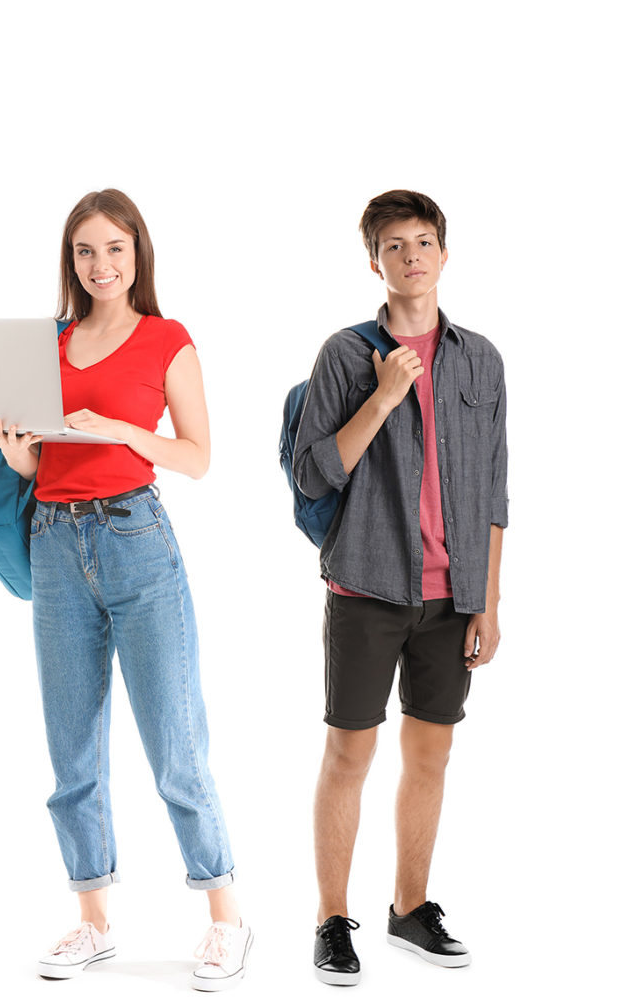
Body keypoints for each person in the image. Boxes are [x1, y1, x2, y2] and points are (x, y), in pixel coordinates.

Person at [0, 189, 247, 991]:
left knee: (175, 742)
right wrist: (15, 451)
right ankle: (93, 919)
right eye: (86, 252)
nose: (101, 265)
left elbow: (197, 456)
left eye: (115, 249)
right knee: (72, 749)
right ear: (72, 261)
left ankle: (225, 917)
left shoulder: (168, 338)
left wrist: (123, 429)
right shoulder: (49, 343)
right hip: (56, 543)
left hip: (137, 541)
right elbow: (40, 469)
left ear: (139, 255)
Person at [293, 190, 506, 984]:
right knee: (349, 752)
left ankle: (409, 909)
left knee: (432, 752)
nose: (411, 256)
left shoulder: (482, 359)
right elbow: (317, 468)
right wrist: (383, 395)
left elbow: (493, 487)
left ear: (443, 256)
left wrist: (487, 598)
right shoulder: (347, 356)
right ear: (374, 262)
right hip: (366, 587)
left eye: (423, 242)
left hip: (452, 599)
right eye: (393, 245)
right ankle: (331, 919)